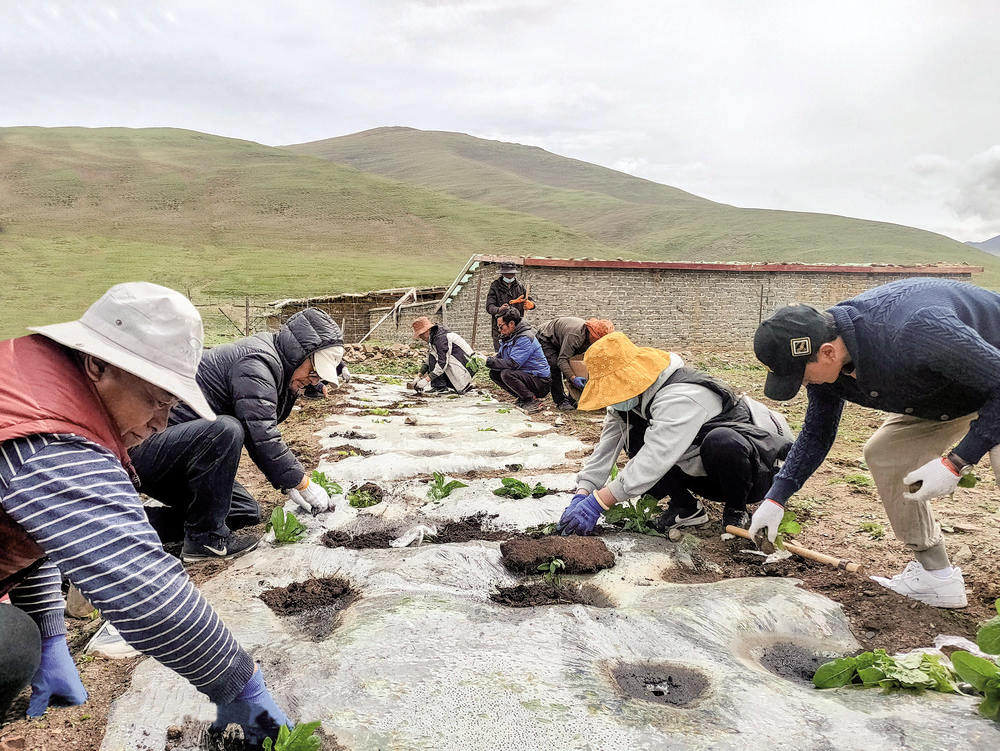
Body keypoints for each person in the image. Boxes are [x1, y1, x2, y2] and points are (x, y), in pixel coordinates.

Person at [0, 282, 290, 743]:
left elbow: (32, 530)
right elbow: (143, 591)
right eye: (155, 400)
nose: (160, 422)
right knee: (9, 646)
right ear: (97, 364)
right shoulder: (46, 435)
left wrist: (52, 634)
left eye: (171, 406)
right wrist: (240, 684)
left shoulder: (39, 387)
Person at [749, 278, 1000, 608]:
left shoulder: (917, 328)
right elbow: (817, 432)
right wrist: (776, 497)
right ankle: (937, 578)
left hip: (992, 376)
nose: (804, 384)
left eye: (802, 376)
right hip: (948, 392)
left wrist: (957, 462)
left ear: (827, 351)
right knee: (886, 452)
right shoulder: (830, 363)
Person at [129, 307, 345, 561]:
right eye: (313, 371)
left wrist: (319, 381)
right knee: (226, 429)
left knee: (244, 513)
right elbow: (262, 433)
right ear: (300, 354)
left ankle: (136, 528)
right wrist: (300, 482)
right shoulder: (256, 364)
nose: (313, 379)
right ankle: (204, 540)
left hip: (187, 458)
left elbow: (281, 391)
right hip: (147, 450)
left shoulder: (279, 362)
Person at [557, 332, 793, 535]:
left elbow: (656, 457)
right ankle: (686, 508)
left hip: (755, 473)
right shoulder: (626, 401)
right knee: (635, 438)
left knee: (722, 441)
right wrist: (583, 491)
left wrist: (598, 503)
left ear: (630, 378)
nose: (610, 398)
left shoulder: (681, 396)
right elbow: (605, 450)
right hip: (704, 470)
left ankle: (736, 511)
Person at [536, 317, 614, 411]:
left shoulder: (591, 339)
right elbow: (562, 360)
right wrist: (573, 378)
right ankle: (561, 401)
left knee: (576, 364)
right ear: (593, 335)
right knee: (554, 366)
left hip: (563, 339)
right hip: (547, 338)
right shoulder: (575, 336)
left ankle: (573, 398)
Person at [486, 309, 551, 413]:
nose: (499, 330)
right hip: (526, 376)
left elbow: (513, 364)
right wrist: (487, 360)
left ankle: (532, 400)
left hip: (540, 381)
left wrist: (488, 361)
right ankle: (523, 397)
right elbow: (500, 358)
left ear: (511, 324)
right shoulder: (509, 337)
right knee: (494, 373)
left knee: (506, 373)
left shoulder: (524, 338)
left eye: (501, 326)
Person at [411, 316, 476, 394]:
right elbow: (429, 360)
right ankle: (439, 386)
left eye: (421, 334)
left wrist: (426, 380)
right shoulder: (434, 338)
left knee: (438, 360)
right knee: (432, 356)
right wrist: (419, 376)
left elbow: (442, 363)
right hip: (459, 367)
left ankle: (441, 387)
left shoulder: (441, 339)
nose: (421, 337)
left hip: (465, 369)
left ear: (427, 330)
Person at [485, 261, 532, 350]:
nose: (509, 276)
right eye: (507, 274)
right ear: (502, 273)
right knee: (501, 353)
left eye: (511, 274)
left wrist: (531, 305)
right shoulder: (495, 286)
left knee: (517, 353)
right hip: (500, 327)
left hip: (517, 327)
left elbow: (528, 299)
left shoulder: (520, 286)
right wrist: (499, 309)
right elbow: (489, 306)